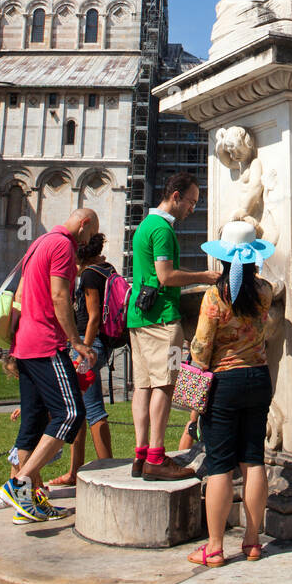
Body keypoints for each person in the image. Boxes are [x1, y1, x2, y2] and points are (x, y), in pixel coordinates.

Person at [0, 209, 98, 523]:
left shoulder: (38, 243)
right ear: (83, 224)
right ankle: (20, 482)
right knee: (71, 413)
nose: (88, 241)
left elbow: (23, 293)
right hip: (46, 343)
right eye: (90, 234)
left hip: (25, 343)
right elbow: (59, 294)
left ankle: (29, 503)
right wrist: (76, 341)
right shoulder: (64, 246)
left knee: (33, 423)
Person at [187, 222, 276, 567]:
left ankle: (214, 546)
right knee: (253, 459)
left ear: (223, 259)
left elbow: (201, 346)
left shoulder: (215, 296)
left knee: (221, 464)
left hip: (224, 382)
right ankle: (253, 542)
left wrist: (196, 381)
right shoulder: (265, 291)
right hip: (257, 378)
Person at [128, 173, 219, 481]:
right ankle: (156, 456)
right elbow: (165, 277)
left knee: (142, 386)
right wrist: (204, 277)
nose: (193, 209)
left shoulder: (145, 225)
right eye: (191, 201)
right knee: (165, 385)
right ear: (176, 196)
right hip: (162, 317)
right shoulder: (163, 229)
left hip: (139, 318)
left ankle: (141, 455)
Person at [46, 233, 114, 488]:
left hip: (89, 344)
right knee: (81, 408)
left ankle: (108, 470)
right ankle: (75, 470)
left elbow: (94, 315)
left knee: (93, 407)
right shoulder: (108, 269)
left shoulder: (89, 275)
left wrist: (82, 348)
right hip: (100, 343)